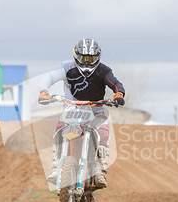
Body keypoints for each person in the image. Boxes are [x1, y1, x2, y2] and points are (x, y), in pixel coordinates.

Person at [38, 38, 126, 188]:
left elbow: (116, 84)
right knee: (59, 129)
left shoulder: (104, 70)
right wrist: (44, 91)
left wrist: (119, 95)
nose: (86, 63)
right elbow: (50, 77)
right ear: (75, 56)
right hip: (73, 109)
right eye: (82, 58)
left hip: (96, 109)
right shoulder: (66, 67)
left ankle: (99, 170)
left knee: (103, 131)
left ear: (97, 58)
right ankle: (56, 168)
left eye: (90, 59)